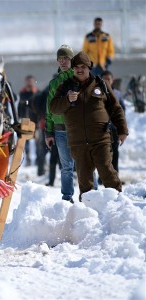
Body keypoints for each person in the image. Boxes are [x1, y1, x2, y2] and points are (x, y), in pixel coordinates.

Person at [50, 51, 128, 200]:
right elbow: (53, 107)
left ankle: (118, 204)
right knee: (84, 179)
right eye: (77, 67)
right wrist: (67, 99)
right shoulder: (66, 86)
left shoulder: (101, 84)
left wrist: (122, 130)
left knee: (107, 171)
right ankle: (88, 210)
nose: (79, 70)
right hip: (78, 143)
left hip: (100, 139)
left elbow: (115, 108)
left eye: (83, 67)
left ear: (89, 67)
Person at [45, 45, 76, 203]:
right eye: (60, 59)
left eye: (66, 58)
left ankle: (92, 195)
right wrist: (49, 132)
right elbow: (49, 110)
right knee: (66, 168)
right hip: (60, 131)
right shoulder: (54, 83)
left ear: (72, 60)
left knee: (86, 165)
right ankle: (67, 198)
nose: (63, 62)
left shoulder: (81, 78)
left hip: (79, 130)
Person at [102, 70, 126, 175]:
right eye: (104, 79)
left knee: (114, 151)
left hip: (114, 127)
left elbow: (122, 110)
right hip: (101, 127)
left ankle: (115, 174)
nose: (106, 81)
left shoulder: (118, 94)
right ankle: (103, 176)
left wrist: (121, 127)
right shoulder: (98, 92)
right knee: (103, 152)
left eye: (108, 79)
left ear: (112, 80)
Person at [18, 75, 38, 166]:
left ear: (33, 82)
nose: (29, 83)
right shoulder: (22, 93)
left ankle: (39, 160)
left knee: (38, 141)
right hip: (25, 119)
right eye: (28, 81)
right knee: (25, 141)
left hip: (35, 120)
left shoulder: (37, 93)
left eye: (31, 81)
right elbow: (19, 107)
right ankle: (28, 159)